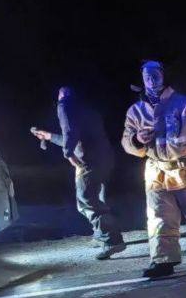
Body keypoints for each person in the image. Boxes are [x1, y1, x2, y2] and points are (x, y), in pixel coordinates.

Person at [122, 60, 186, 279]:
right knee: (159, 217)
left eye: (155, 75)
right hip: (156, 171)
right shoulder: (135, 111)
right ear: (142, 80)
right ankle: (163, 260)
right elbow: (126, 142)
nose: (151, 80)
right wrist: (137, 140)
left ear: (164, 76)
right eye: (147, 76)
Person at [31, 86, 125, 259]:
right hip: (105, 159)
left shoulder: (64, 105)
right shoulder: (87, 109)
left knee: (87, 201)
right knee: (98, 199)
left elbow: (70, 132)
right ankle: (101, 234)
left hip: (88, 162)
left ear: (62, 95)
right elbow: (76, 136)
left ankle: (112, 240)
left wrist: (68, 154)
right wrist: (49, 136)